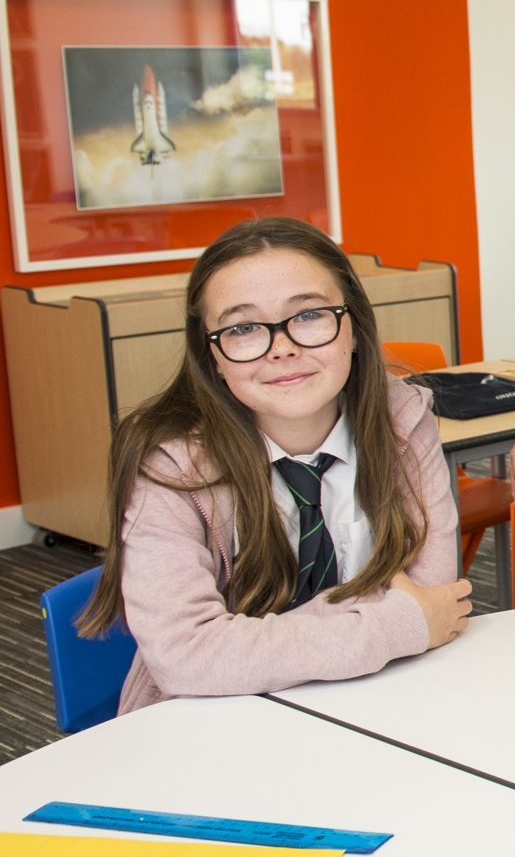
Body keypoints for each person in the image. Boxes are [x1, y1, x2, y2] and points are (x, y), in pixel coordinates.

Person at [78, 217, 473, 713]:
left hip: (382, 699)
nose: (282, 347)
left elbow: (434, 595)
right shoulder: (169, 465)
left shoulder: (403, 419)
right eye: (243, 328)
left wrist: (251, 645)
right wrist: (392, 624)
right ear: (212, 355)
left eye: (308, 315)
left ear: (353, 327)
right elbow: (187, 658)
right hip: (212, 721)